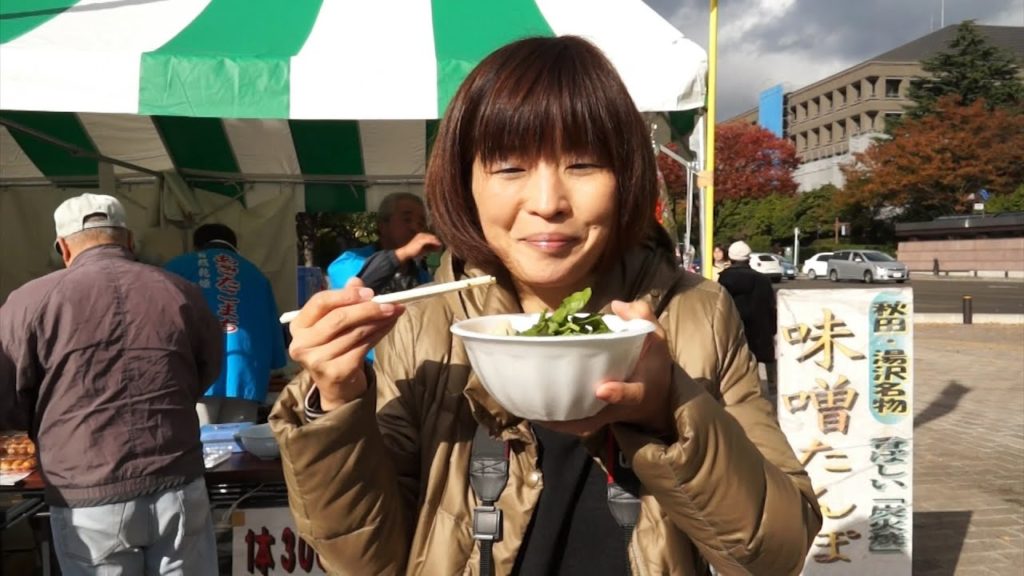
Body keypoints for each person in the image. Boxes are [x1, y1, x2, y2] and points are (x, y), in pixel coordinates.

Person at [270, 36, 820, 575]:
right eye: (509, 168)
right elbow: (364, 561)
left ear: (625, 176)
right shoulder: (428, 325)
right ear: (466, 184)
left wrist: (667, 410)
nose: (548, 203)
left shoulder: (695, 311)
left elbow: (775, 554)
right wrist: (335, 402)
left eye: (582, 165)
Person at [0, 193, 221, 575]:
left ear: (63, 247)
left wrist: (46, 424)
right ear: (129, 240)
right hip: (177, 480)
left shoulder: (29, 302)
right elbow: (206, 368)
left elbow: (7, 397)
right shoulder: (180, 291)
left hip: (87, 490)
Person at [166, 224, 287, 425]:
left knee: (199, 444)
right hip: (247, 373)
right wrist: (275, 364)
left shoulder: (178, 266)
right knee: (237, 445)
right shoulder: (255, 274)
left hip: (198, 370)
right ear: (234, 245)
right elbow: (272, 327)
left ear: (196, 246)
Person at [325, 192, 441, 294]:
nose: (415, 228)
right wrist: (402, 254)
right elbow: (355, 288)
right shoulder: (348, 261)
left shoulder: (423, 277)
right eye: (407, 219)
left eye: (421, 223)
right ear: (383, 225)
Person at [717, 240, 779, 402]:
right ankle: (773, 390)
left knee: (740, 362)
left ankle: (746, 393)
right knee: (766, 360)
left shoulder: (724, 280)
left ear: (730, 258)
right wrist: (772, 328)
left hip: (736, 328)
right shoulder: (763, 280)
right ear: (748, 258)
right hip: (761, 328)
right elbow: (771, 306)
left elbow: (721, 308)